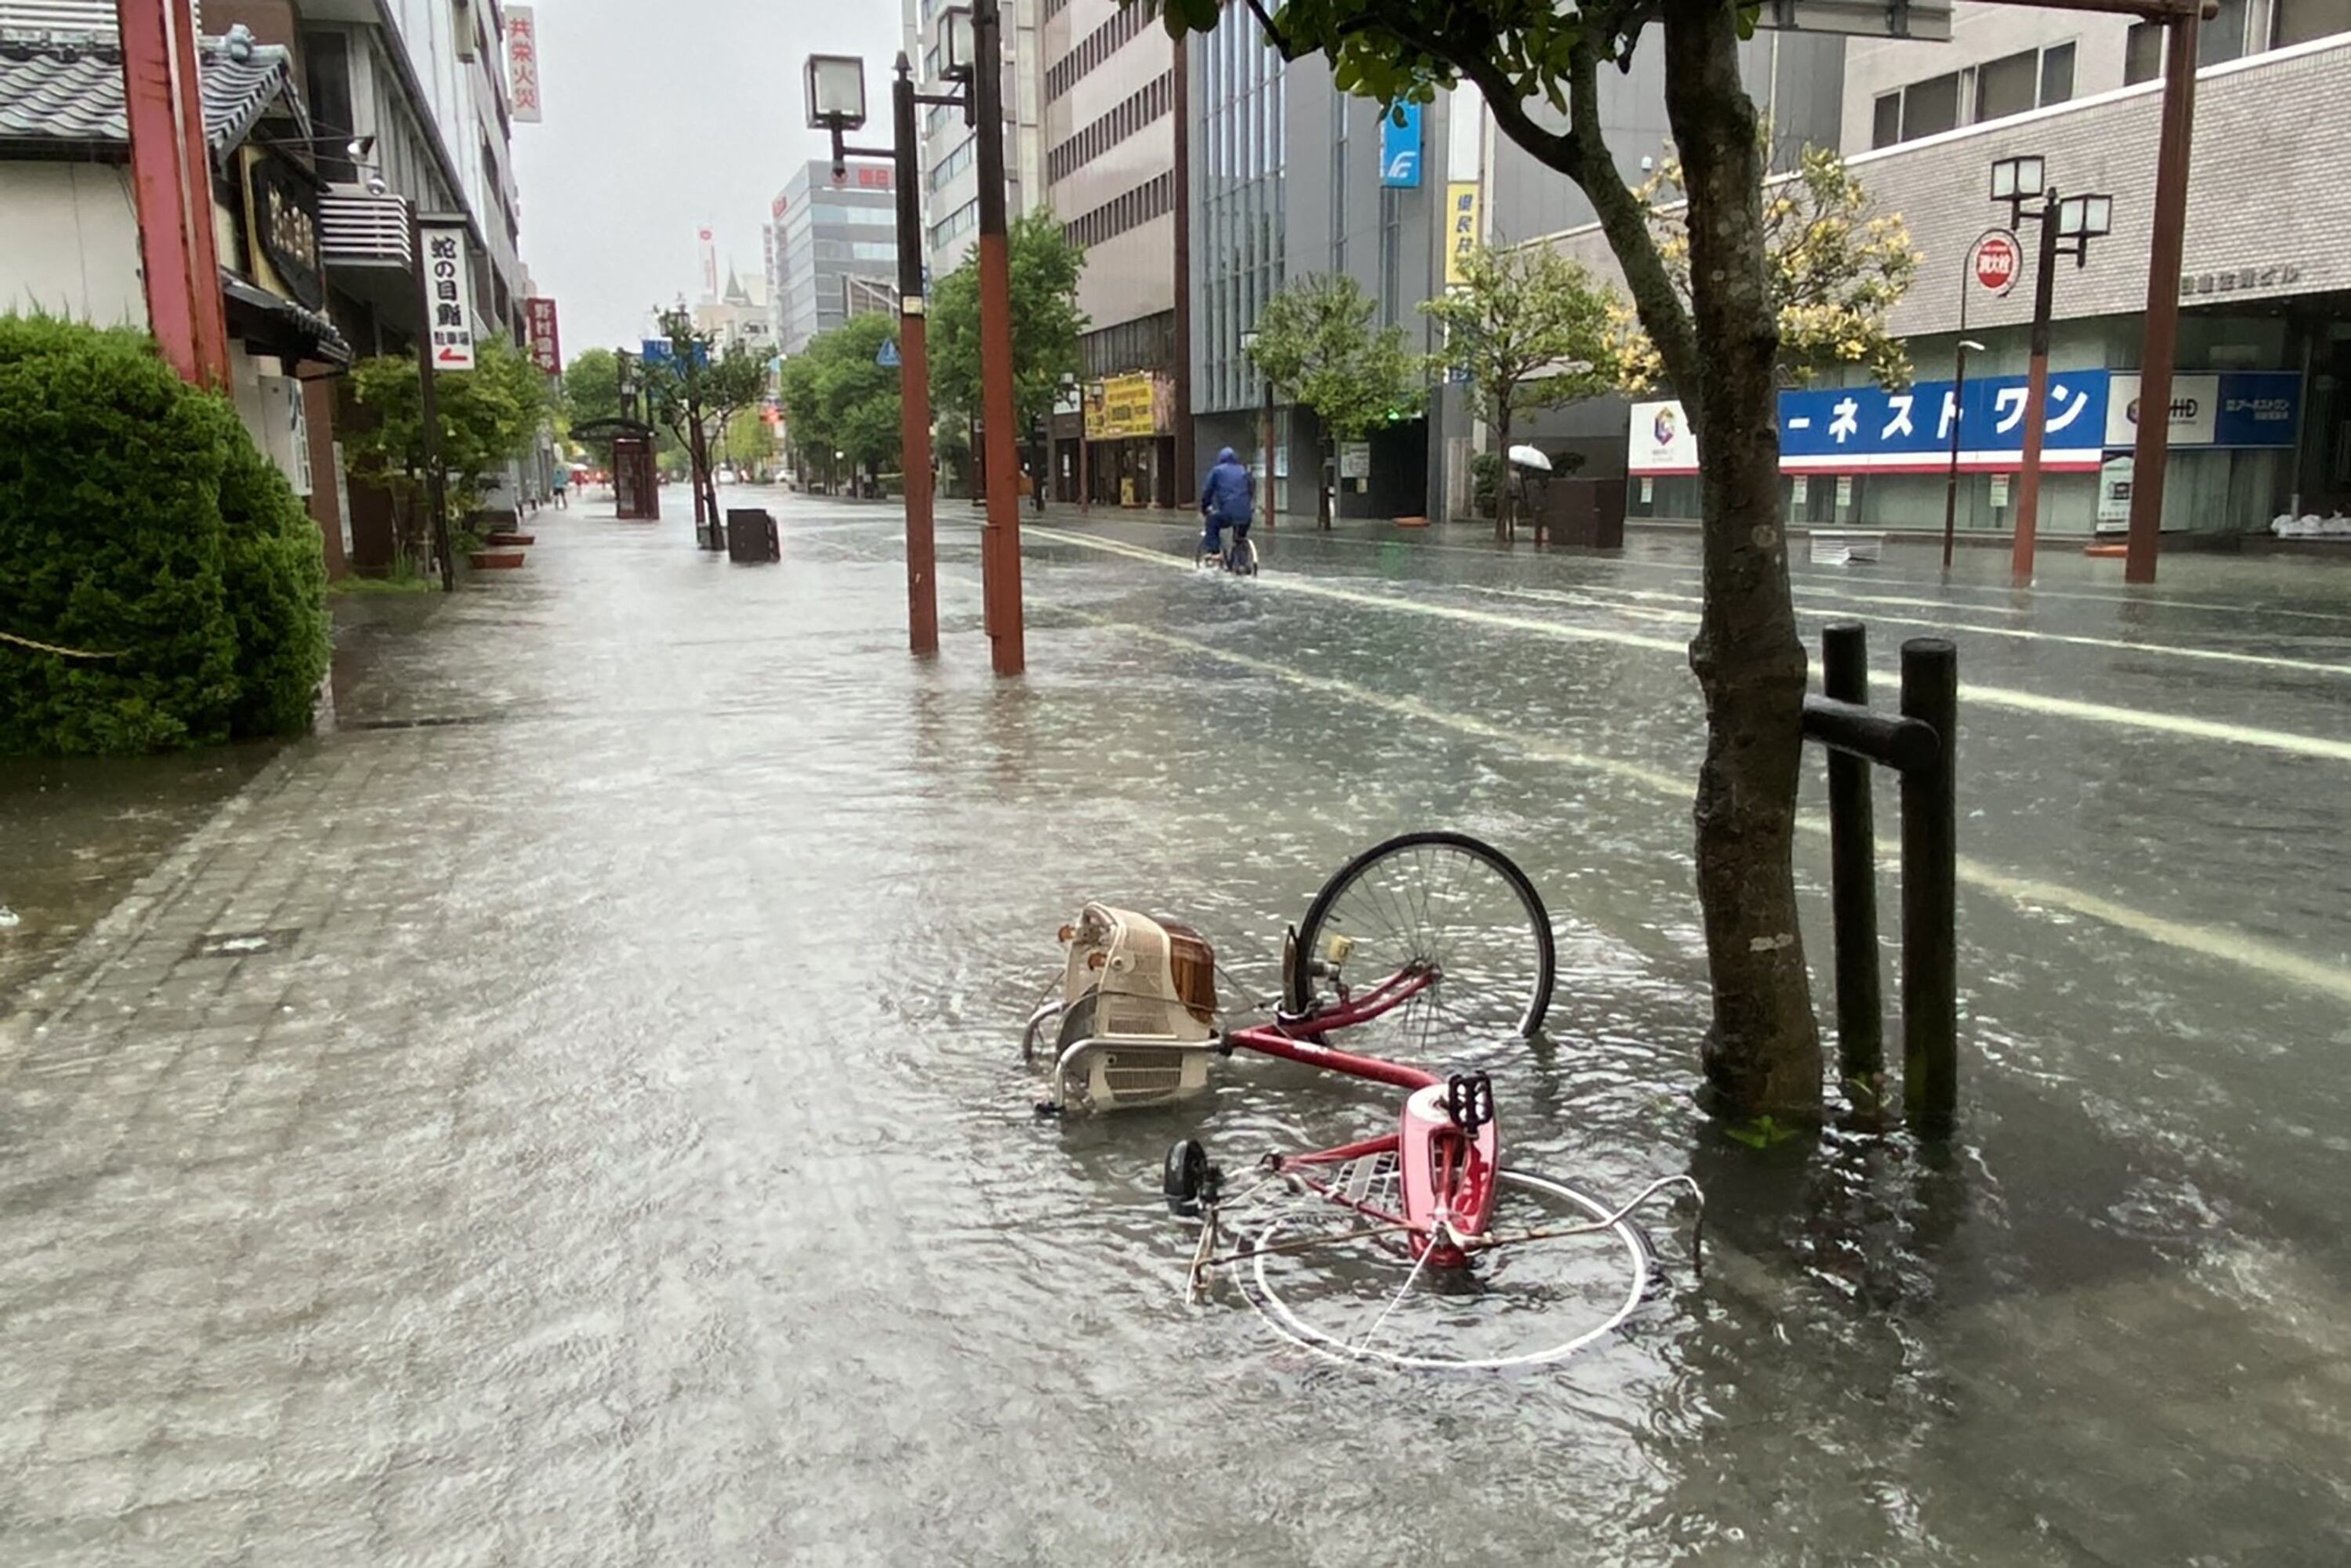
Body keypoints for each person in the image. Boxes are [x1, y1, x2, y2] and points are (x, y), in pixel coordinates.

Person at [1199, 446, 1253, 563]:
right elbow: (1250, 490)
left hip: (1228, 513)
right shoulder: (1243, 470)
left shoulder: (1217, 471)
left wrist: (1204, 507)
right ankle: (1242, 564)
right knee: (1240, 537)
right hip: (1246, 515)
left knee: (1212, 522)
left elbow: (1207, 491)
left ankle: (1215, 552)